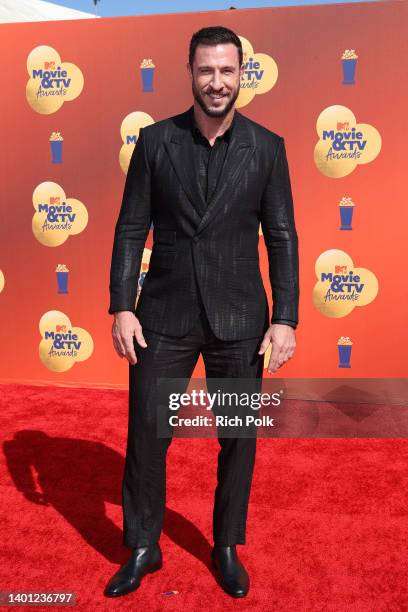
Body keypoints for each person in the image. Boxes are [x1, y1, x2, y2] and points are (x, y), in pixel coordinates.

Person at [104, 25, 299, 599]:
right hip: (162, 313)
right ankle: (143, 545)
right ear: (190, 73)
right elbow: (129, 229)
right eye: (206, 71)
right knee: (147, 433)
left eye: (227, 71)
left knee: (238, 437)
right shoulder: (155, 142)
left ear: (243, 74)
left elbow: (282, 236)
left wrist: (285, 317)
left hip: (240, 318)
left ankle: (226, 545)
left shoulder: (268, 147)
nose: (217, 82)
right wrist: (122, 304)